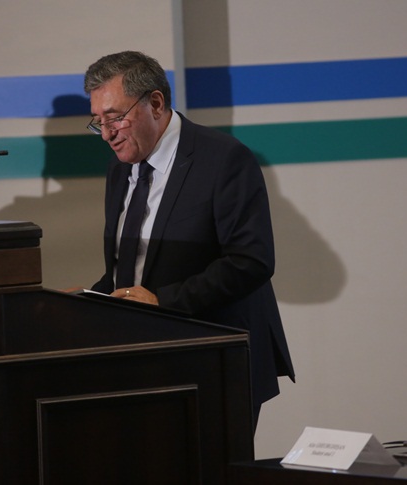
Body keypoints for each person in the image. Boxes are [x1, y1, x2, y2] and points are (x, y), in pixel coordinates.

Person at [84, 51, 295, 416]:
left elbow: (251, 261)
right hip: (144, 359)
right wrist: (85, 301)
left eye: (115, 118)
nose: (106, 134)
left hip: (216, 358)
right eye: (98, 122)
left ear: (155, 103)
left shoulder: (223, 158)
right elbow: (133, 269)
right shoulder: (120, 169)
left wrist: (162, 303)